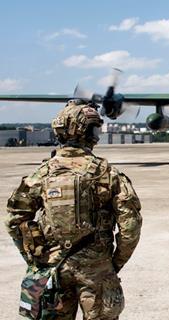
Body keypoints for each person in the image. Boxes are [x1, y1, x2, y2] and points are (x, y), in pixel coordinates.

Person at [5, 100, 142, 319]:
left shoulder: (41, 174)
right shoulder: (107, 174)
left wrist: (34, 257)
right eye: (95, 129)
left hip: (53, 268)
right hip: (97, 270)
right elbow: (130, 226)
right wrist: (113, 264)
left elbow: (14, 219)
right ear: (83, 131)